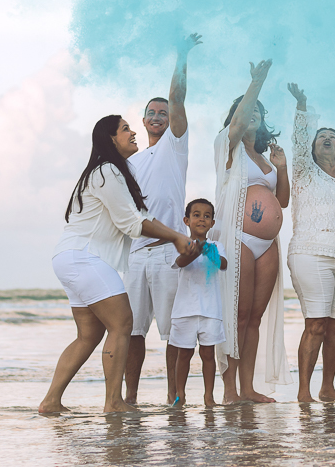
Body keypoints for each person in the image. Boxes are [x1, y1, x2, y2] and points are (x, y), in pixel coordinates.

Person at [40, 115, 194, 414]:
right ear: (110, 138)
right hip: (86, 258)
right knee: (123, 322)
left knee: (89, 335)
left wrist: (171, 235)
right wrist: (176, 235)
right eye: (125, 129)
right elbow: (132, 223)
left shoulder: (105, 172)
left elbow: (129, 221)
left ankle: (51, 402)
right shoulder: (107, 171)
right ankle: (113, 402)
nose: (133, 131)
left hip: (70, 257)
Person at [124, 33, 201, 405]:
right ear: (142, 120)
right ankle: (130, 397)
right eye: (151, 113)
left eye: (163, 113)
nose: (158, 116)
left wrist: (181, 55)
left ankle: (175, 396)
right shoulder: (129, 162)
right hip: (136, 255)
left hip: (169, 253)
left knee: (175, 333)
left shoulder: (176, 144)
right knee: (132, 332)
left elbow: (177, 98)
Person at [213, 59, 292, 402]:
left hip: (268, 244)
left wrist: (282, 168)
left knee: (255, 318)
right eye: (247, 110)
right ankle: (230, 390)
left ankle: (248, 388)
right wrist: (256, 83)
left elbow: (283, 201)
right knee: (237, 313)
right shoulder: (226, 147)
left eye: (259, 109)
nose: (253, 113)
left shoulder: (264, 157)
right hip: (238, 239)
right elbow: (239, 120)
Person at [286, 82, 335, 403]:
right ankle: (304, 390)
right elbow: (300, 141)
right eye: (321, 136)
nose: (326, 138)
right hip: (310, 253)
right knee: (316, 323)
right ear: (312, 147)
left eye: (333, 136)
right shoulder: (304, 172)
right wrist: (302, 104)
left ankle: (327, 386)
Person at [170, 198, 228, 408]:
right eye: (196, 215)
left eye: (207, 216)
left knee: (207, 354)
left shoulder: (216, 246)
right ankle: (180, 395)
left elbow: (223, 265)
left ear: (212, 223)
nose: (202, 219)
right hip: (185, 310)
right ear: (187, 220)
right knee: (183, 354)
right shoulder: (181, 244)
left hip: (210, 310)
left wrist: (207, 250)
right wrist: (195, 250)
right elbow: (180, 263)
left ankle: (209, 397)